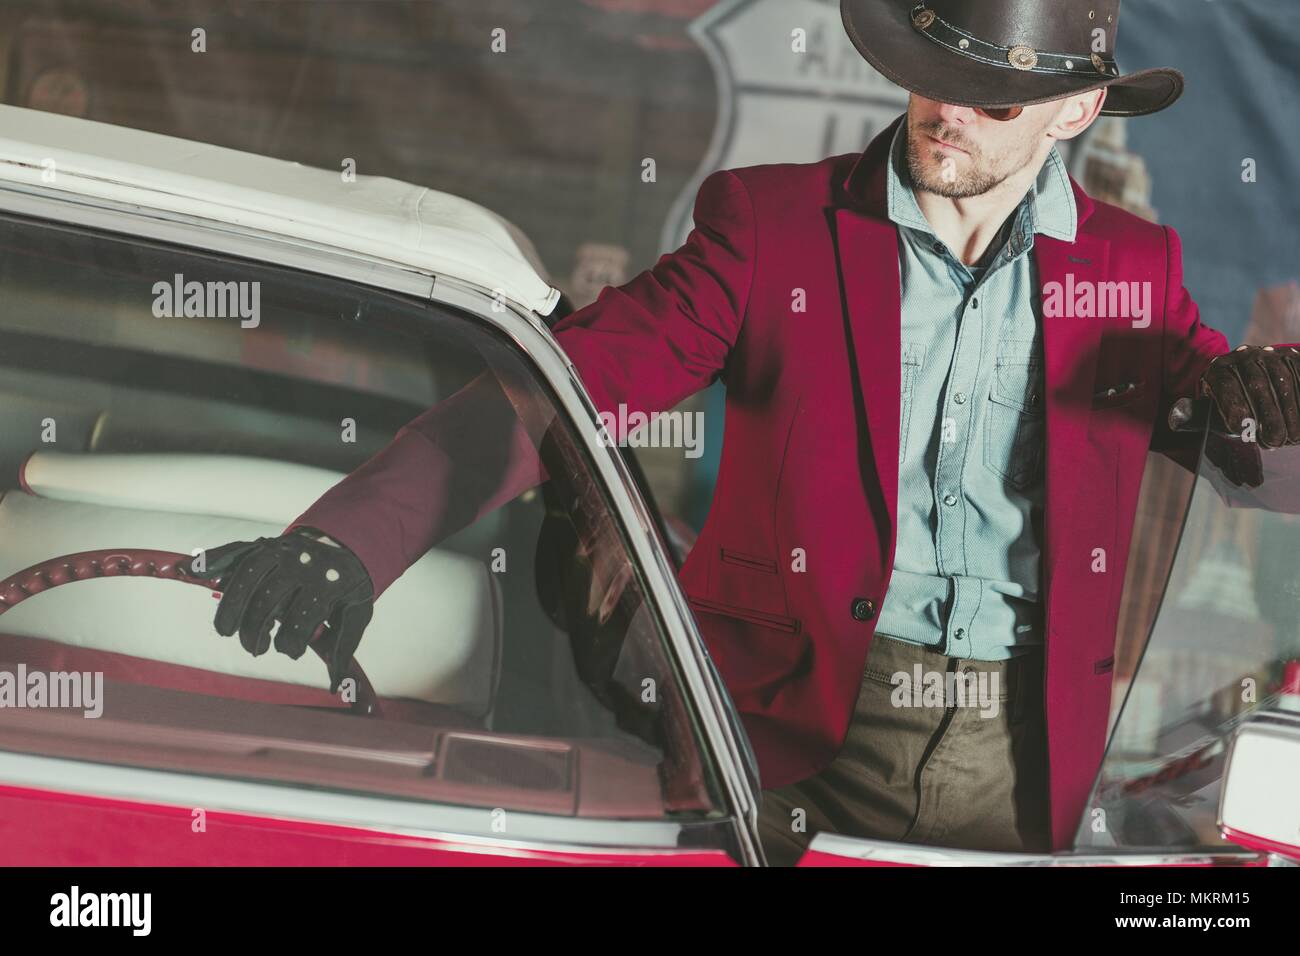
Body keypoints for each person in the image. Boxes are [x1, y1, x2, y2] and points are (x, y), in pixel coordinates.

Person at [187, 0, 1300, 864]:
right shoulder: (773, 230)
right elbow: (559, 395)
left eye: (988, 100)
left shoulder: (1126, 268)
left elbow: (1246, 446)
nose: (943, 113)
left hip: (1028, 756)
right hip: (793, 740)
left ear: (1074, 113)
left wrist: (1270, 414)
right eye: (928, 81)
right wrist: (351, 538)